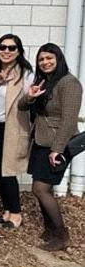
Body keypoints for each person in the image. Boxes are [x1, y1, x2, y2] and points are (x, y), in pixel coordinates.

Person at [18, 43, 82, 251]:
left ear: (59, 59)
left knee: (40, 188)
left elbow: (69, 121)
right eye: (41, 59)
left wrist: (58, 149)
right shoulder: (44, 82)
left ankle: (61, 235)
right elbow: (22, 107)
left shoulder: (69, 83)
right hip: (40, 140)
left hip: (55, 143)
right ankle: (51, 230)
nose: (45, 62)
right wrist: (31, 96)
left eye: (49, 58)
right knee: (40, 188)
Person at [0, 34, 33, 229]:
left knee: (8, 170)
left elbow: (27, 100)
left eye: (12, 48)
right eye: (2, 47)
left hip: (11, 127)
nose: (6, 51)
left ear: (18, 51)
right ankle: (7, 211)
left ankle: (16, 213)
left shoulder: (25, 73)